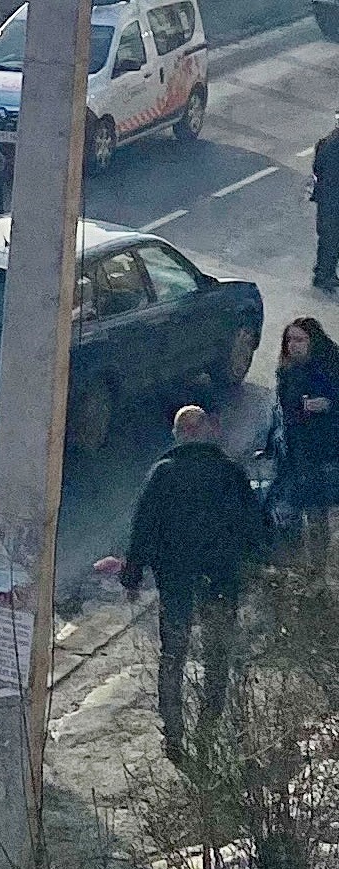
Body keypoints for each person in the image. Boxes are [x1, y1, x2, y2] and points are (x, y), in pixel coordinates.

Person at [119, 406, 264, 764]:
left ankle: (173, 732)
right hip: (220, 580)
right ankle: (208, 726)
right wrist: (253, 568)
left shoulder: (163, 474)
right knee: (217, 655)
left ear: (178, 435)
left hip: (177, 582)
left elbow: (143, 529)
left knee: (173, 656)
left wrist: (132, 577)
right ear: (208, 432)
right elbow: (253, 528)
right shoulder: (230, 473)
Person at [275, 317, 339, 565]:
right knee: (298, 507)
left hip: (326, 450)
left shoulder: (331, 366)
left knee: (318, 507)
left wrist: (330, 405)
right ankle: (306, 560)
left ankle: (318, 562)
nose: (293, 345)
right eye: (289, 340)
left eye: (300, 340)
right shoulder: (288, 371)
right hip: (297, 449)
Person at [311, 109, 339, 292]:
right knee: (331, 239)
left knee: (329, 239)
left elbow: (317, 168)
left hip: (327, 200)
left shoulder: (326, 142)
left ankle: (325, 273)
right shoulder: (332, 145)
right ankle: (323, 274)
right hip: (332, 200)